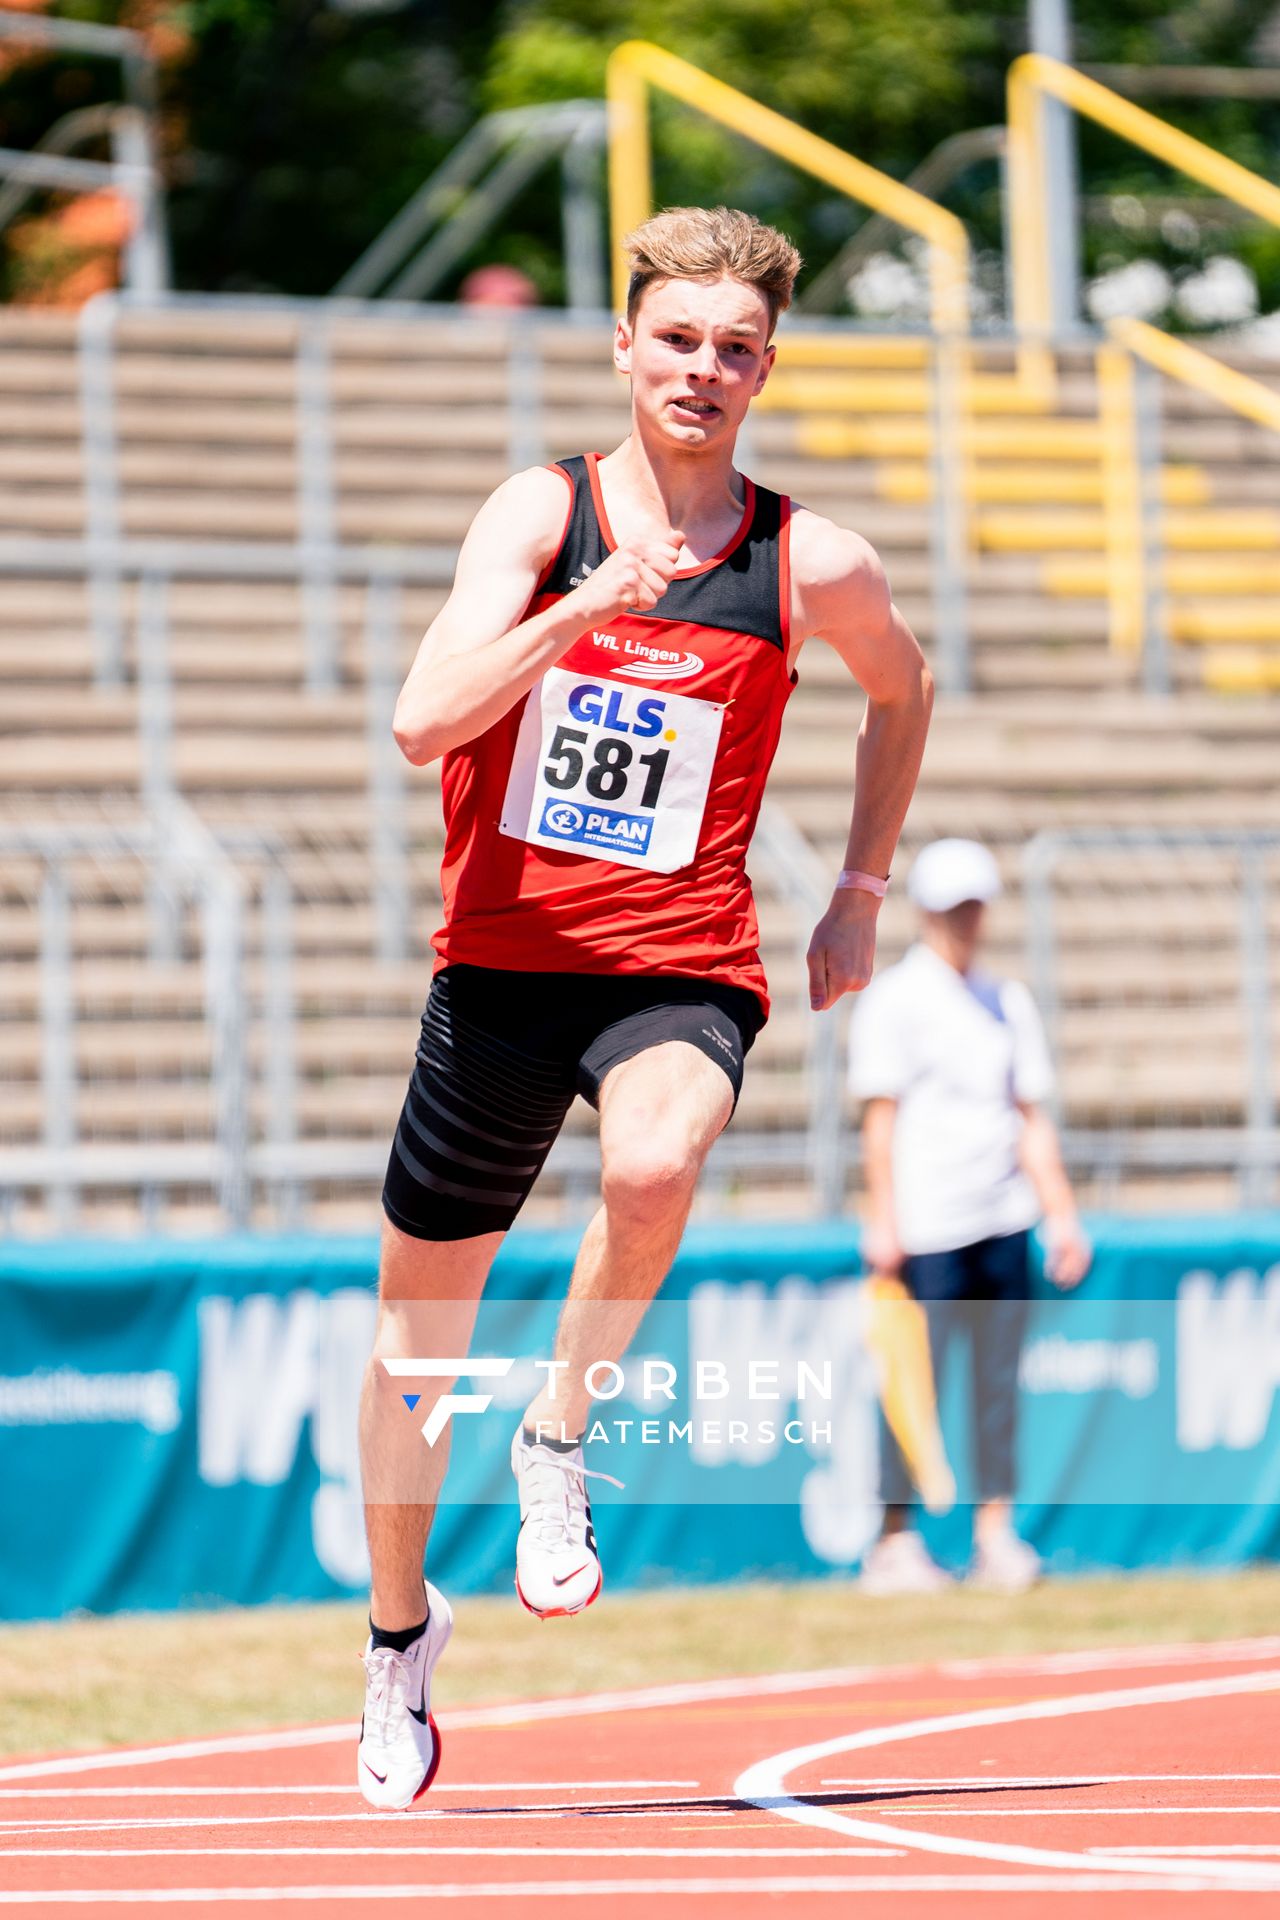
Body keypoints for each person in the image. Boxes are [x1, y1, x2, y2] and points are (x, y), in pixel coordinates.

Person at [357, 204, 933, 1808]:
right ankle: (399, 1635)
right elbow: (423, 722)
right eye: (675, 339)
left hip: (678, 961)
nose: (703, 369)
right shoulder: (537, 517)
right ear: (624, 346)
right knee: (413, 1346)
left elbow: (909, 688)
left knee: (658, 1157)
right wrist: (582, 610)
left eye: (735, 348)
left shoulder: (807, 559)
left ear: (767, 368)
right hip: (498, 971)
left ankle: (557, 1439)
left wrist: (860, 888)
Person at [849, 836, 1092, 1597]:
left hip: (1002, 1219)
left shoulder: (1005, 1000)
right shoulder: (897, 999)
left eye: (976, 906)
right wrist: (884, 1222)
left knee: (996, 1388)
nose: (967, 921)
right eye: (955, 907)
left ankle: (995, 1535)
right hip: (928, 1226)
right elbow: (880, 1122)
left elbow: (1029, 1116)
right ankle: (895, 1540)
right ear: (926, 910)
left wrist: (1060, 1215)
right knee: (912, 1389)